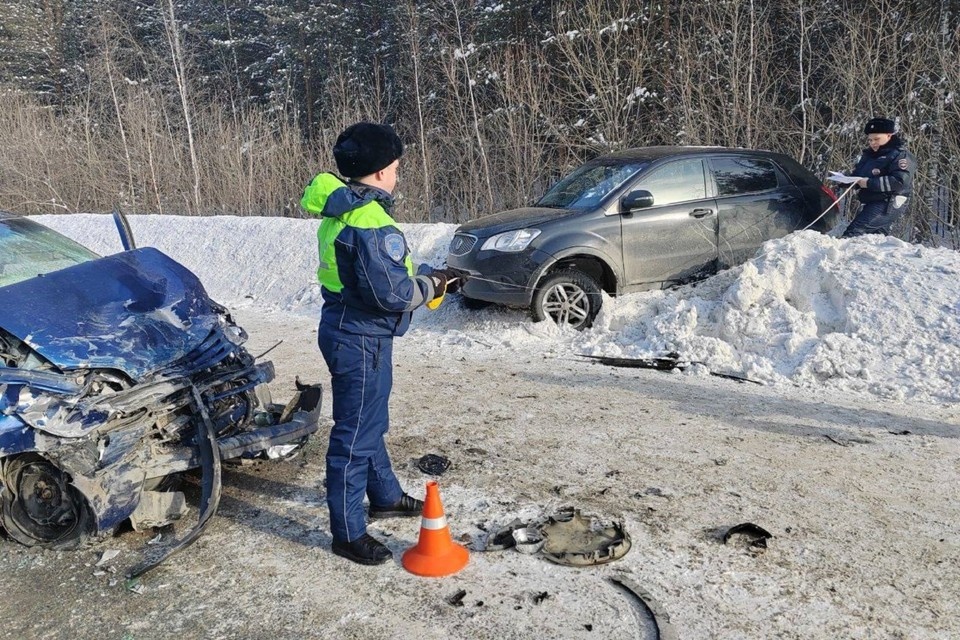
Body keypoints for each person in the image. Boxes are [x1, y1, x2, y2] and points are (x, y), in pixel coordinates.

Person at [300, 122, 460, 565]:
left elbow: (371, 277)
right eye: (396, 166)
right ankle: (348, 532)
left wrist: (420, 275)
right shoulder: (372, 221)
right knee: (353, 435)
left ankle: (385, 495)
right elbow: (393, 295)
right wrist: (435, 283)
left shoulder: (341, 209)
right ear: (382, 171)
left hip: (344, 326)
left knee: (368, 418)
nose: (397, 173)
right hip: (362, 338)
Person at [842, 117, 915, 238]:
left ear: (889, 136)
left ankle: (841, 256)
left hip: (889, 201)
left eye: (876, 139)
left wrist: (869, 183)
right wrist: (846, 181)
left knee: (854, 232)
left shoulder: (901, 155)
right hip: (872, 200)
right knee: (877, 239)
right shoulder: (869, 155)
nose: (872, 143)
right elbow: (859, 175)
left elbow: (899, 181)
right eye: (870, 140)